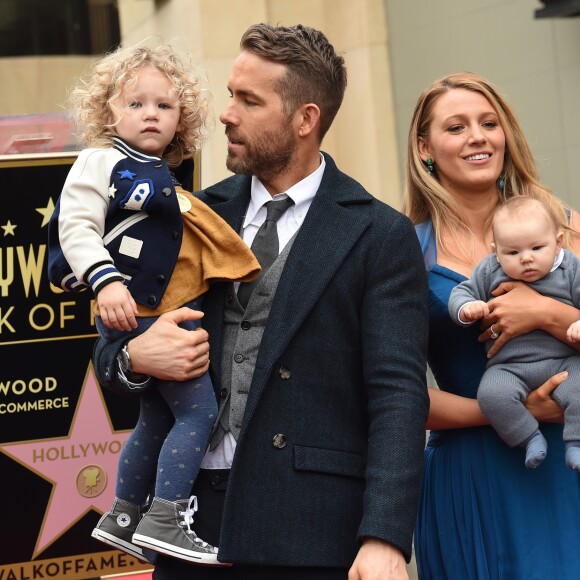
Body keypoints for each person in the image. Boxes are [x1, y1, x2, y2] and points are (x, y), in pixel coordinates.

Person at [92, 23, 430, 580]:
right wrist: (135, 359)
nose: (226, 114)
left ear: (305, 119)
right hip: (189, 524)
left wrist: (385, 535)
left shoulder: (378, 233)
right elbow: (109, 354)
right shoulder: (184, 213)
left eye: (248, 100)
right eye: (230, 94)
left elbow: (397, 394)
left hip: (314, 530)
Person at [47, 43, 261, 565]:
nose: (150, 114)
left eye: (164, 106)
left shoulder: (166, 174)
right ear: (109, 112)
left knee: (157, 420)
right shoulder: (100, 160)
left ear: (181, 117)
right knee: (200, 415)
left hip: (146, 312)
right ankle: (165, 517)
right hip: (133, 312)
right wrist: (105, 283)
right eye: (136, 103)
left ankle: (123, 515)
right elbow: (74, 227)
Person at [404, 71, 580, 580]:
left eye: (488, 123)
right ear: (425, 148)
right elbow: (392, 395)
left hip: (568, 466)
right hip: (470, 473)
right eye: (456, 127)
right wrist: (511, 410)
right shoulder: (402, 250)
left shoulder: (567, 228)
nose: (478, 137)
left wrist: (548, 313)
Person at [448, 197, 580, 470]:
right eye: (513, 253)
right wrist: (466, 308)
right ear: (496, 252)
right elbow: (462, 292)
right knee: (491, 395)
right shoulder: (489, 270)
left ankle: (575, 443)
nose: (526, 258)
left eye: (537, 248)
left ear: (557, 242)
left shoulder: (570, 268)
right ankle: (529, 438)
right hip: (509, 366)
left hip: (565, 362)